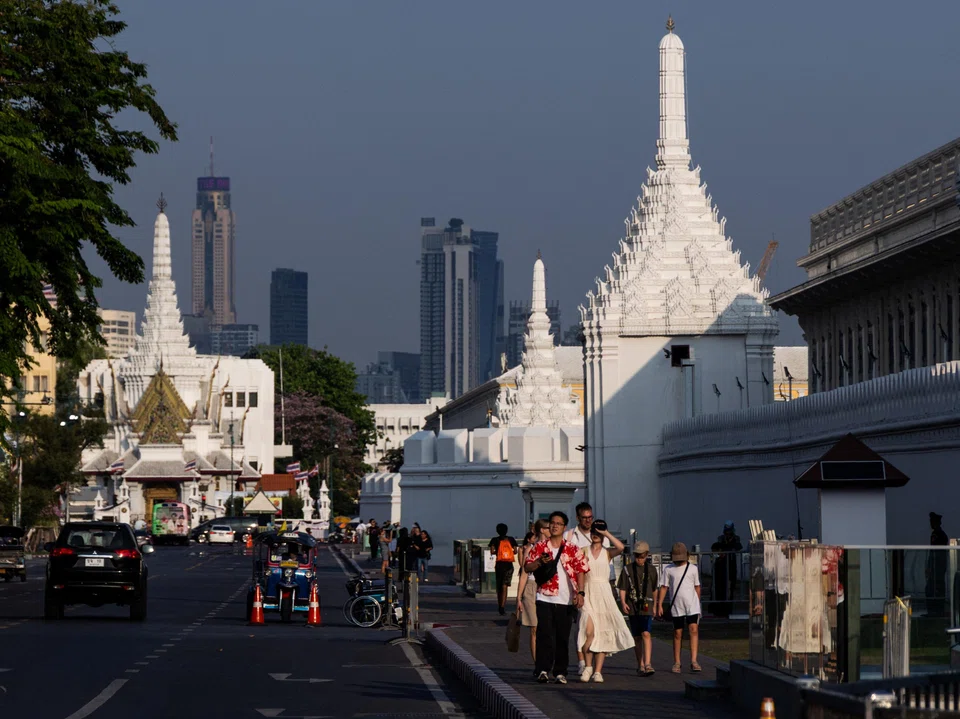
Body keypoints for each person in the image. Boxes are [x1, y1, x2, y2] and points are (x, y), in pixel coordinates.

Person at [523, 511, 590, 685]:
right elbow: (527, 566)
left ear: (564, 527)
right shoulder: (540, 547)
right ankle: (542, 670)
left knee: (562, 637)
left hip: (565, 600)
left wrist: (580, 593)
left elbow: (581, 570)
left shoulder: (572, 548)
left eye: (558, 524)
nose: (554, 526)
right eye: (552, 523)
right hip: (544, 597)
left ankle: (560, 672)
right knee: (544, 635)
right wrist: (539, 563)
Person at [577, 520, 632, 683]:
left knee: (603, 632)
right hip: (588, 591)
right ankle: (588, 666)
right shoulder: (583, 551)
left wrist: (606, 533)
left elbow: (621, 548)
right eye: (594, 532)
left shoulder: (607, 552)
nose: (596, 535)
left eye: (598, 532)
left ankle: (598, 671)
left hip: (604, 593)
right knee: (589, 632)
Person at [564, 502, 608, 674]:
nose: (588, 521)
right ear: (578, 518)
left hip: (596, 586)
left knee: (595, 626)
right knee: (581, 623)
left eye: (591, 517)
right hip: (576, 586)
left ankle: (592, 662)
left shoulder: (597, 534)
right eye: (585, 518)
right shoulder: (570, 536)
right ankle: (582, 660)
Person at [656, 542, 702, 674]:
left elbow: (696, 586)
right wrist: (660, 604)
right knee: (677, 633)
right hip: (677, 605)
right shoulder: (668, 569)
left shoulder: (692, 568)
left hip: (692, 605)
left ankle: (694, 660)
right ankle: (677, 661)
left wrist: (697, 603)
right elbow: (664, 587)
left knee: (693, 629)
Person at [618, 540, 659, 676]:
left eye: (642, 556)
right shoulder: (627, 569)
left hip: (647, 605)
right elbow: (623, 587)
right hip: (632, 605)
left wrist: (656, 604)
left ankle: (648, 664)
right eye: (637, 556)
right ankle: (640, 664)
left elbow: (654, 589)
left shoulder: (652, 570)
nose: (639, 559)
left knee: (646, 633)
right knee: (636, 636)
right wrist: (623, 602)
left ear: (647, 555)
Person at [515, 520, 549, 667]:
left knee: (547, 628)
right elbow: (524, 573)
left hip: (548, 586)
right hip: (531, 586)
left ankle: (548, 661)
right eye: (548, 527)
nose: (551, 529)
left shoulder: (554, 548)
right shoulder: (531, 549)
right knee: (534, 628)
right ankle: (539, 665)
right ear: (542, 530)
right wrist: (519, 596)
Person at [711, 520, 743, 618]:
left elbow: (738, 547)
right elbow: (714, 547)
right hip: (720, 567)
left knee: (730, 588)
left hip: (731, 567)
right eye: (726, 532)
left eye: (729, 532)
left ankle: (728, 610)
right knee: (719, 588)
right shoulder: (721, 539)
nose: (728, 534)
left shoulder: (736, 539)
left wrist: (726, 550)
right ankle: (719, 610)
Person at [489, 523, 518, 616]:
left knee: (499, 586)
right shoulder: (511, 539)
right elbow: (515, 551)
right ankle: (503, 605)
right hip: (509, 566)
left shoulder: (494, 540)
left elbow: (492, 551)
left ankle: (499, 605)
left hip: (499, 565)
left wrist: (499, 552)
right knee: (505, 585)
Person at [926, 511, 949, 616]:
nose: (930, 523)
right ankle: (936, 610)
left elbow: (935, 552)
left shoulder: (939, 535)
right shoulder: (940, 534)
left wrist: (930, 567)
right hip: (938, 566)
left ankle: (935, 611)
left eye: (932, 521)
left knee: (934, 588)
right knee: (934, 588)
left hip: (937, 566)